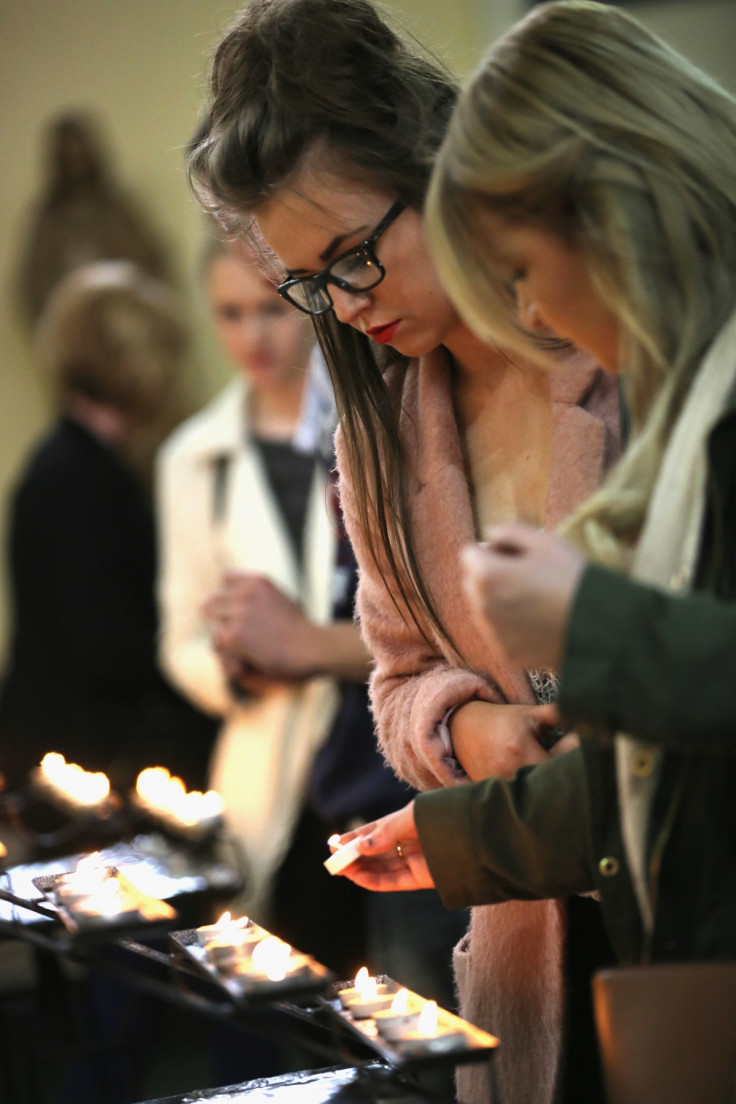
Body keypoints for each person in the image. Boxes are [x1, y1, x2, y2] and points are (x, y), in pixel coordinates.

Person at [187, 3, 621, 1102]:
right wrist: (466, 725)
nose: (345, 303)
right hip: (529, 955)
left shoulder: (610, 345)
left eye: (355, 255)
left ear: (440, 168)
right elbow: (396, 682)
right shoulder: (380, 429)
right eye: (308, 282)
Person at [332, 0, 736, 981]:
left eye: (519, 268)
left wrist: (591, 626)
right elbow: (670, 775)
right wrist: (460, 837)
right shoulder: (683, 397)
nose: (527, 311)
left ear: (610, 210)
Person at [0, 261, 216, 796]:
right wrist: (202, 655)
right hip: (83, 756)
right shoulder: (83, 478)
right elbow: (105, 643)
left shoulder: (64, 461)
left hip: (61, 732)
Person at [16, 112, 170, 329]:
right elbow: (34, 286)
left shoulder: (120, 210)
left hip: (125, 323)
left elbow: (152, 263)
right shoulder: (48, 222)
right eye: (68, 152)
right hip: (71, 330)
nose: (76, 157)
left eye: (80, 148)